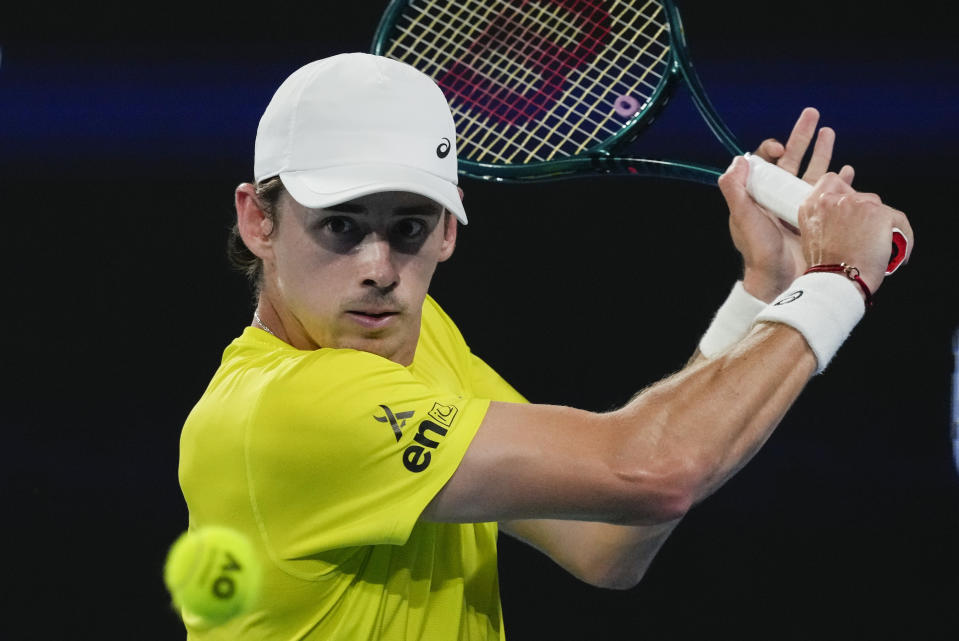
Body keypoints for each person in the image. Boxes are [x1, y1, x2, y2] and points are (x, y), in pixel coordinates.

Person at [176, 52, 914, 640]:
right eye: (339, 225)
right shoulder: (282, 411)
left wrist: (766, 288)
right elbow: (651, 471)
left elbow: (604, 541)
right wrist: (837, 278)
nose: (378, 268)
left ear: (447, 230)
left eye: (407, 227)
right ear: (256, 221)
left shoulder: (415, 335)